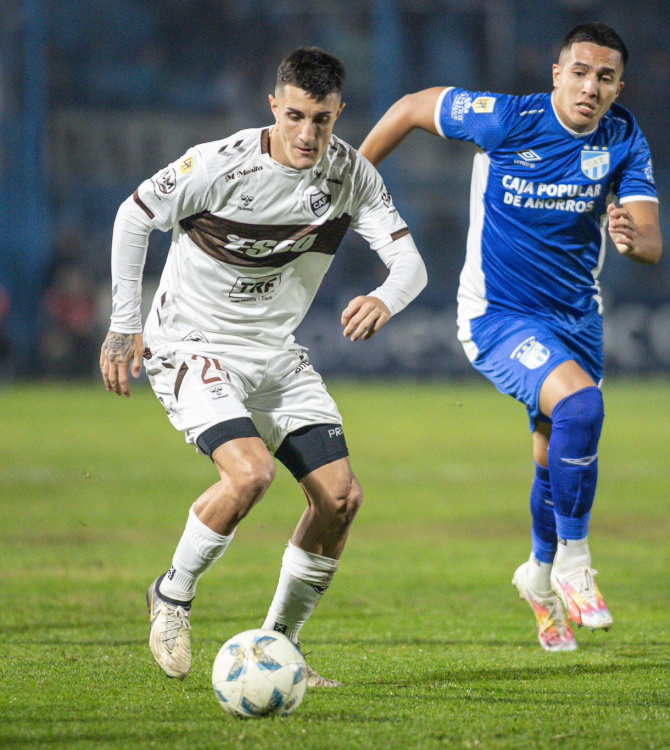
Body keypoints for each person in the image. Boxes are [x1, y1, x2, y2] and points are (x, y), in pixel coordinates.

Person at [100, 47, 427, 684]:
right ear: (273, 106)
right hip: (191, 344)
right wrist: (123, 323)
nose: (308, 135)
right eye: (297, 116)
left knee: (340, 498)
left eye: (323, 120)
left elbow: (411, 264)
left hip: (274, 353)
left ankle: (279, 647)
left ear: (339, 114)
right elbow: (133, 216)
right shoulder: (218, 164)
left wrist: (384, 299)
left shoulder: (351, 175)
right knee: (249, 475)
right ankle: (172, 594)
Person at [360, 23, 662, 651]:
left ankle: (537, 576)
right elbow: (413, 107)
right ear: (557, 74)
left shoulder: (624, 137)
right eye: (579, 71)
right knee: (581, 405)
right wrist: (350, 181)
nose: (590, 86)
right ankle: (575, 564)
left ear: (617, 88)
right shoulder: (508, 120)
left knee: (554, 456)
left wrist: (634, 239)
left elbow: (651, 241)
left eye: (605, 77)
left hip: (577, 319)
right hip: (498, 317)